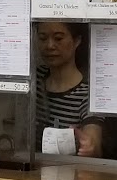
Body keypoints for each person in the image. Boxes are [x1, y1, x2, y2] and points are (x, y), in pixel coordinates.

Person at [34, 21, 102, 157]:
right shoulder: (34, 79)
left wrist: (89, 145)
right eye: (43, 38)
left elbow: (93, 137)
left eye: (58, 38)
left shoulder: (89, 92)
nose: (49, 46)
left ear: (77, 41)